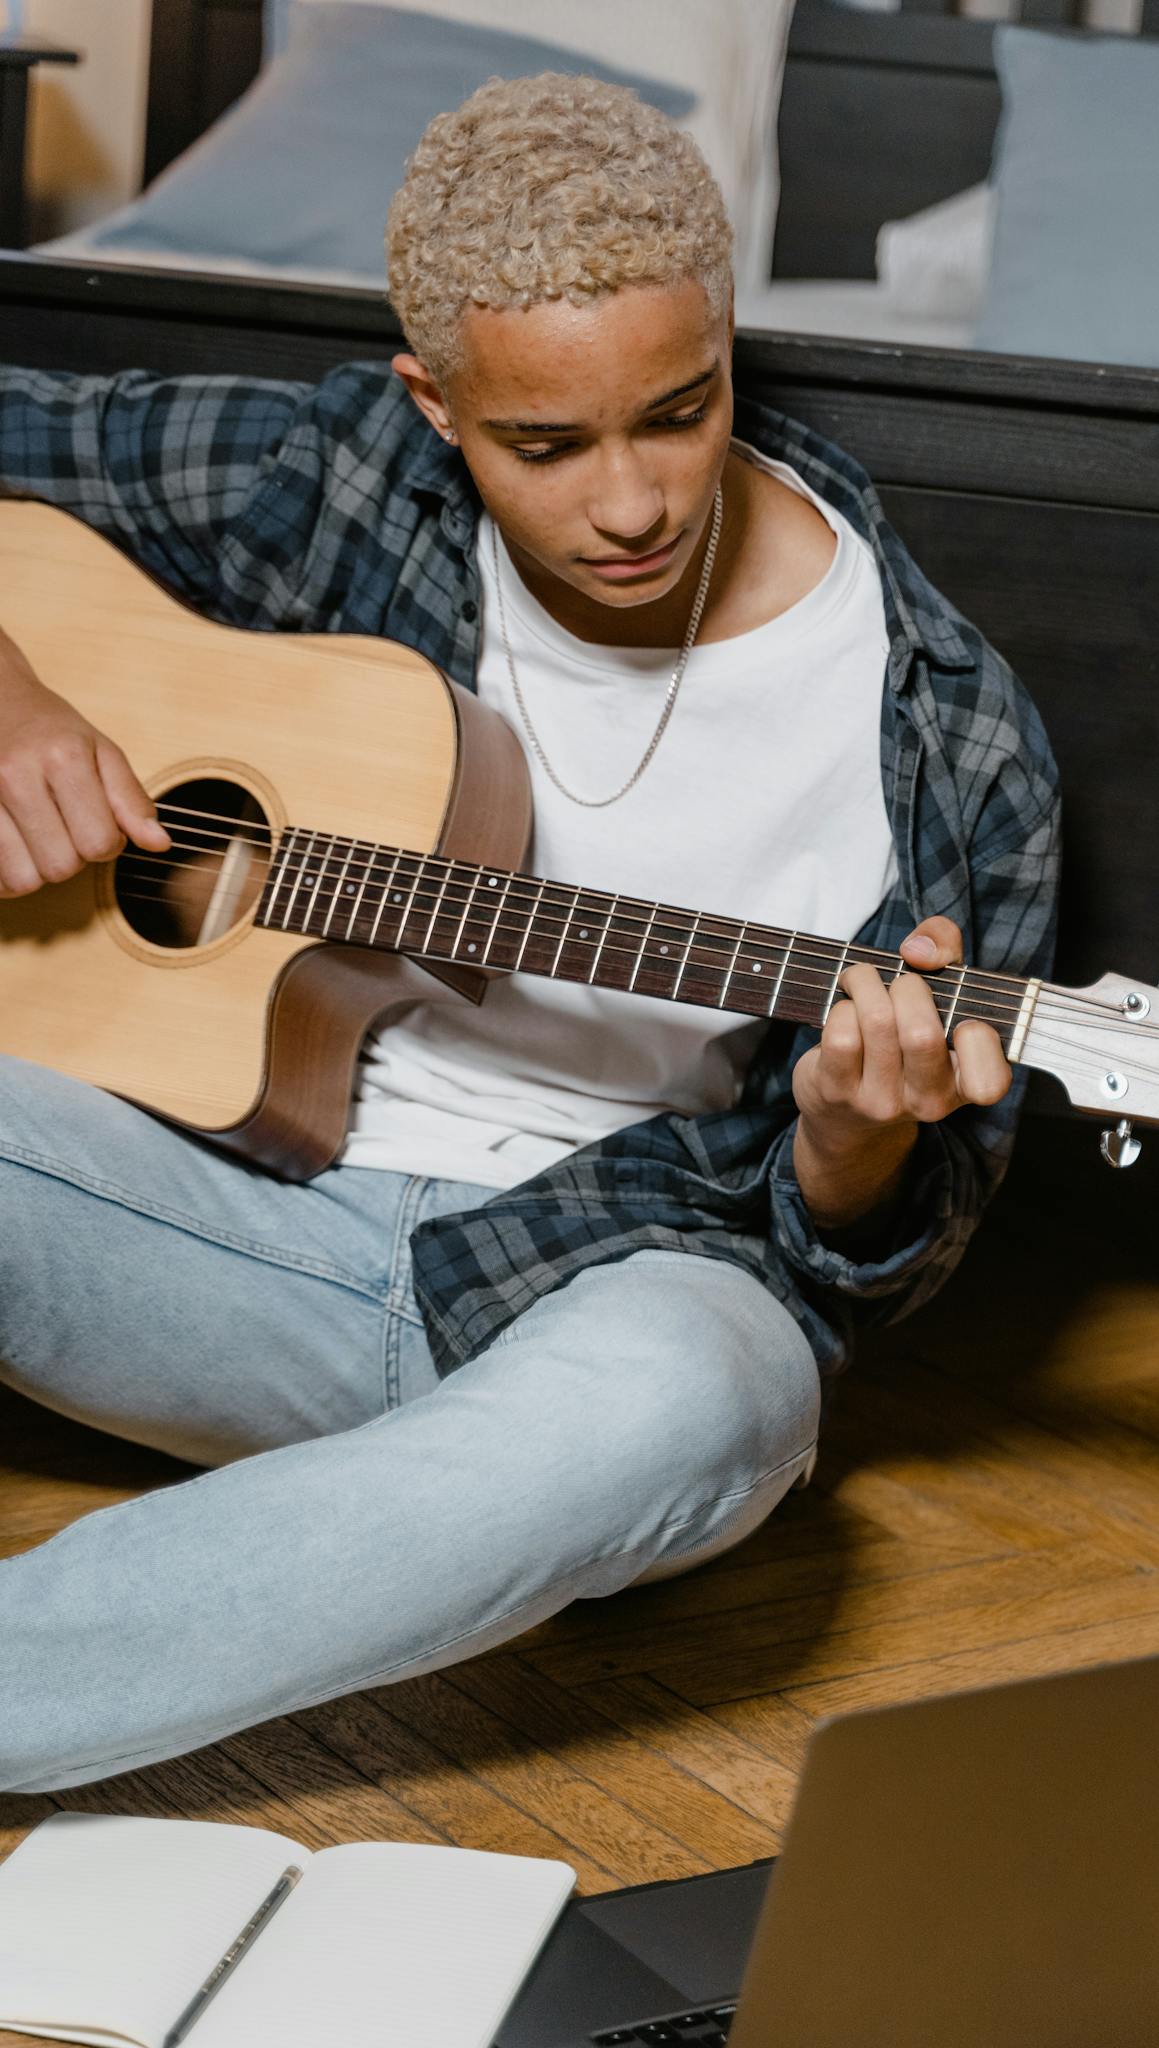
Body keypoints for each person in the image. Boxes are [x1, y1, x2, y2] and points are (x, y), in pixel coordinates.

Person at [0, 75, 1058, 1794]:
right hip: (223, 1222)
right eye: (544, 447)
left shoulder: (944, 734)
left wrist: (852, 1148)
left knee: (701, 1402)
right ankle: (384, 1537)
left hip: (613, 1294)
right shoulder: (331, 468)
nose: (628, 504)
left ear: (726, 345)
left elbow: (862, 1259)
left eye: (678, 412)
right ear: (435, 405)